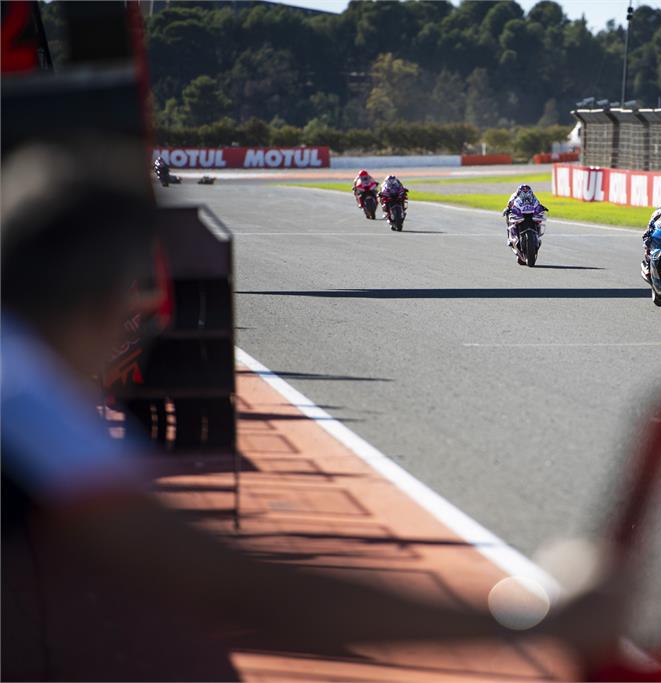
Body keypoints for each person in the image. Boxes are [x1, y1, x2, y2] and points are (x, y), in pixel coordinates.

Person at [1, 140, 628, 680]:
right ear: (98, 297)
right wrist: (529, 619)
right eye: (132, 297)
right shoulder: (23, 396)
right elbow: (234, 587)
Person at [502, 184, 549, 250]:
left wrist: (541, 207)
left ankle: (537, 235)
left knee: (538, 218)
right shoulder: (514, 196)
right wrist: (508, 208)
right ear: (519, 192)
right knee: (508, 215)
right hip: (520, 214)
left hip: (530, 214)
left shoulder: (533, 197)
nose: (525, 193)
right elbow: (509, 204)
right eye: (523, 191)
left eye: (527, 191)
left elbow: (538, 203)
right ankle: (510, 238)